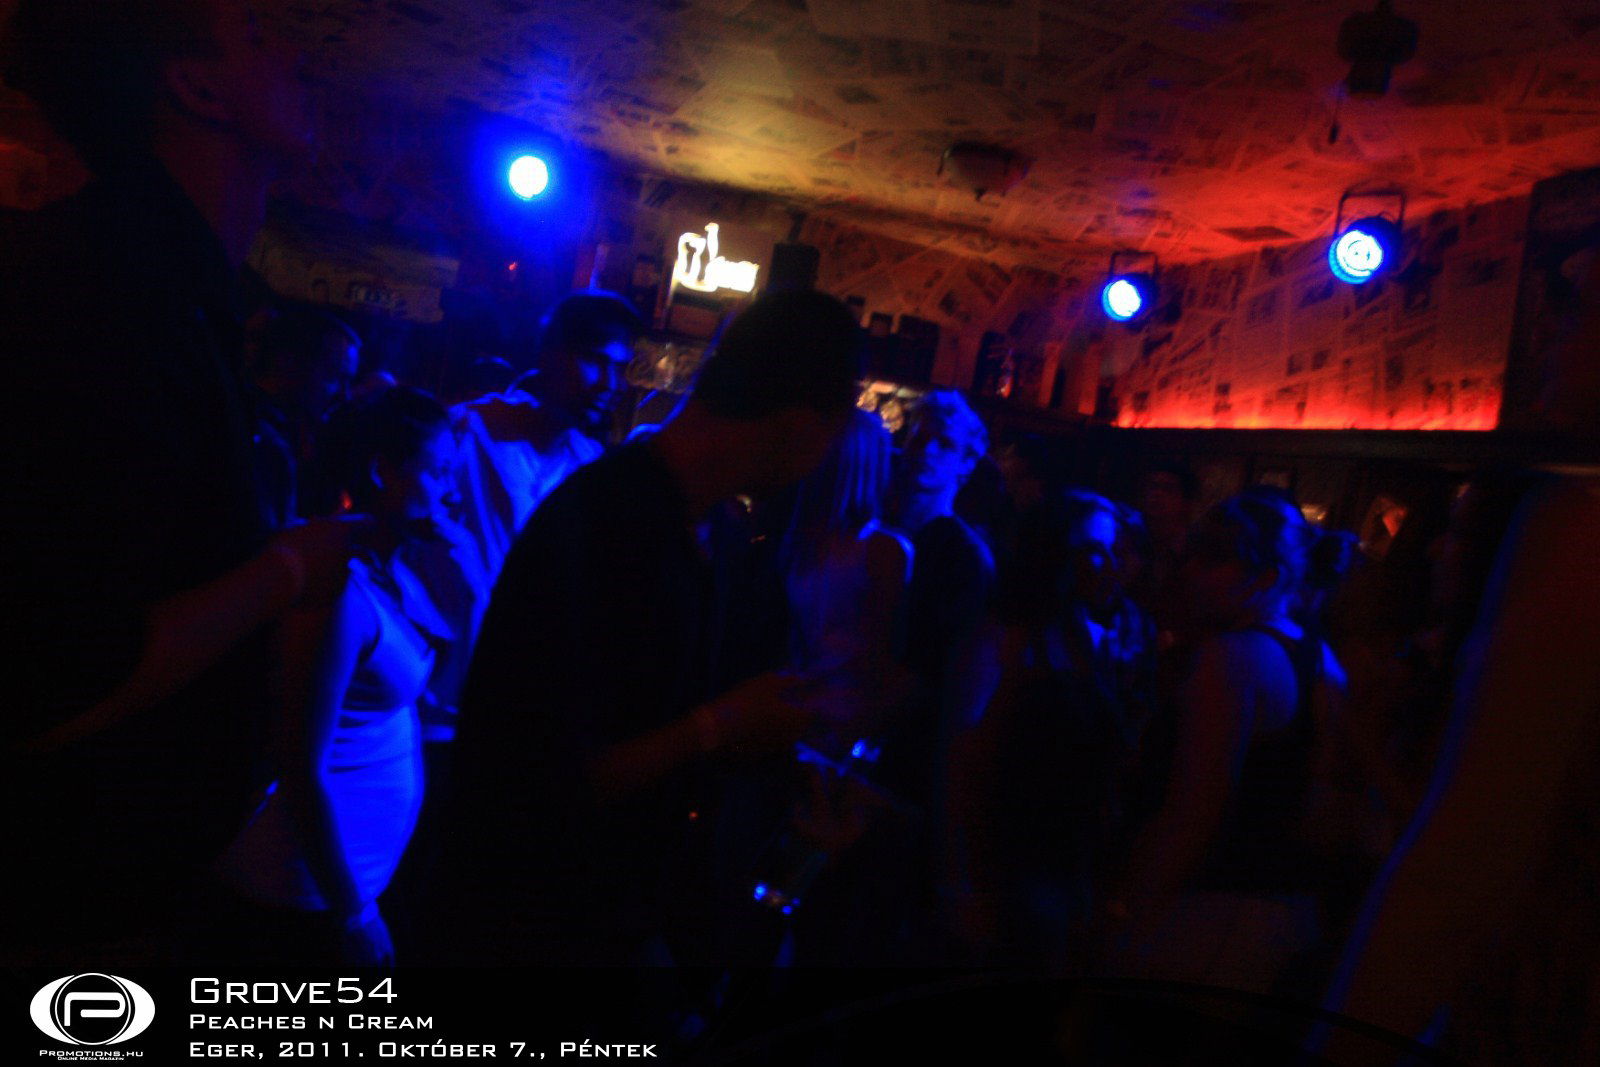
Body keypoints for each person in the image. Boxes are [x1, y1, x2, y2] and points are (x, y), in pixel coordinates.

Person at [0, 0, 361, 963]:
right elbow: (55, 675)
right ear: (196, 87)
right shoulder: (109, 290)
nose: (292, 51)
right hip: (72, 909)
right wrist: (291, 568)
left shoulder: (165, 284)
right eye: (255, 34)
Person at [427, 289, 862, 968]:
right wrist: (721, 726)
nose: (823, 460)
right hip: (533, 943)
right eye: (832, 435)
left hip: (625, 933)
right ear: (799, 424)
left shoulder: (720, 530)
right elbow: (531, 776)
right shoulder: (604, 517)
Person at [213, 388, 460, 967]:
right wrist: (354, 914)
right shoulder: (338, 591)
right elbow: (300, 762)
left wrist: (462, 565)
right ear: (381, 471)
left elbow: (441, 689)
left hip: (352, 881)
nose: (452, 489)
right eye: (438, 471)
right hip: (302, 892)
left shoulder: (395, 570)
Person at [1104, 492, 1352, 995]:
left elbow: (1195, 808)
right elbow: (1321, 791)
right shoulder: (1318, 654)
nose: (1191, 571)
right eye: (1193, 554)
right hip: (1281, 913)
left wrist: (1130, 908)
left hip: (1208, 912)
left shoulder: (1231, 657)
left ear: (1268, 576)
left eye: (1214, 558)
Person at [953, 490, 1155, 966]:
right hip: (1012, 861)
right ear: (1052, 553)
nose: (1111, 564)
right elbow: (962, 766)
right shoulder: (1006, 639)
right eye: (1094, 549)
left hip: (1072, 861)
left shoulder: (1086, 637)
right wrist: (960, 882)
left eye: (1113, 549)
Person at [451, 289, 643, 576]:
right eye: (596, 361)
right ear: (550, 356)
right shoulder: (469, 429)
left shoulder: (590, 466)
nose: (610, 384)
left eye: (620, 368)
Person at [247, 305, 363, 524]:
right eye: (334, 375)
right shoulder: (253, 432)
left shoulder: (292, 434)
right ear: (287, 362)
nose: (345, 395)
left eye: (349, 381)